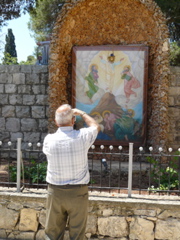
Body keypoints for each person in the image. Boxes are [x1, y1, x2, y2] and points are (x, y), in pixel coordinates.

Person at [43, 104, 100, 240]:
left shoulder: (48, 140)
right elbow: (95, 126)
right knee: (77, 234)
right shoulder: (82, 137)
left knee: (52, 234)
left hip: (55, 192)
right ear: (73, 121)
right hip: (78, 193)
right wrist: (82, 113)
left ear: (56, 122)